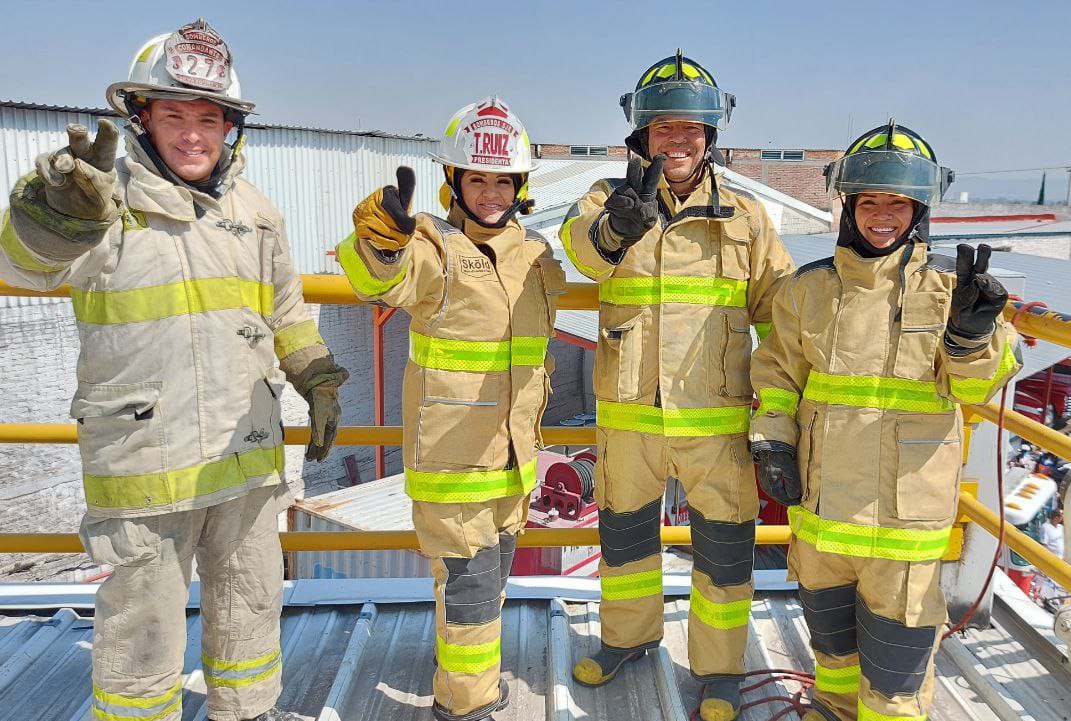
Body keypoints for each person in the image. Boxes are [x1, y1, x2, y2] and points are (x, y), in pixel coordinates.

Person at [0, 20, 347, 721]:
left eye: (208, 118)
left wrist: (315, 374)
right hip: (144, 464)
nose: (194, 134)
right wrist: (51, 218)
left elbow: (285, 309)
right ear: (142, 118)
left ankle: (247, 711)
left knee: (249, 602)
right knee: (142, 631)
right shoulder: (101, 202)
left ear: (230, 128)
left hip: (242, 455)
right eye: (175, 115)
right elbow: (20, 264)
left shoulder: (256, 214)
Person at [749, 122, 1020, 721]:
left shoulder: (954, 290)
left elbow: (977, 388)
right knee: (832, 645)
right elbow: (776, 376)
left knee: (896, 674)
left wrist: (971, 337)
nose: (881, 215)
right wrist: (772, 444)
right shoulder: (807, 289)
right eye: (868, 201)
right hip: (823, 510)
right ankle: (832, 707)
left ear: (918, 210)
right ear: (847, 207)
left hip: (906, 522)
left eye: (897, 202)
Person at [559, 51, 795, 720]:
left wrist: (781, 407)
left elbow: (781, 311)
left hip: (715, 418)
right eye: (665, 129)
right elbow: (580, 250)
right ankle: (627, 640)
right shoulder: (608, 198)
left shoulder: (745, 217)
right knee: (626, 538)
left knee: (723, 554)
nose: (679, 142)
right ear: (642, 137)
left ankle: (720, 670)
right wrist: (614, 228)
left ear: (710, 138)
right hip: (630, 410)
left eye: (692, 130)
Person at [338, 96, 564, 721]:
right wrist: (379, 242)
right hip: (453, 462)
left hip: (514, 464)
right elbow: (383, 276)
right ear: (454, 183)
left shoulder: (535, 253)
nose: (489, 192)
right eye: (476, 179)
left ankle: (466, 680)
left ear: (519, 185)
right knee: (469, 588)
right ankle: (466, 705)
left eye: (501, 180)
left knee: (488, 587)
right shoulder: (432, 244)